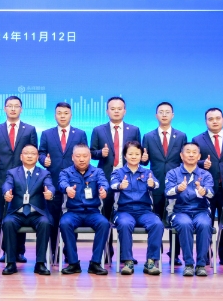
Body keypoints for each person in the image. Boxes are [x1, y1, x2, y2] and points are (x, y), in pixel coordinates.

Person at [0, 95, 38, 263]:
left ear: (21, 109)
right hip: (2, 179)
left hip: (24, 180)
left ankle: (20, 251)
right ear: (5, 108)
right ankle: (7, 251)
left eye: (16, 106)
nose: (13, 109)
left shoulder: (29, 129)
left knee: (22, 213)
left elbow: (34, 152)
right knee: (5, 217)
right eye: (10, 106)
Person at [39, 102, 88, 260]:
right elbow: (41, 153)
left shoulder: (80, 134)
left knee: (72, 218)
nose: (62, 116)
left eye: (65, 113)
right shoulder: (47, 134)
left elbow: (84, 155)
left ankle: (69, 252)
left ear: (71, 115)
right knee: (52, 217)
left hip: (74, 184)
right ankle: (53, 251)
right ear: (55, 115)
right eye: (59, 113)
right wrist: (43, 160)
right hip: (52, 182)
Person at [192, 107, 223, 264]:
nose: (214, 121)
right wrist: (202, 163)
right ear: (205, 121)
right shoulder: (197, 139)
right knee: (205, 223)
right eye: (211, 119)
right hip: (206, 189)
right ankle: (205, 254)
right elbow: (191, 160)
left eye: (217, 118)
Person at [141, 102, 188, 266]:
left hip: (176, 185)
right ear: (156, 116)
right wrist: (144, 159)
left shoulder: (181, 136)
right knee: (156, 221)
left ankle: (174, 254)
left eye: (167, 112)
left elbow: (185, 159)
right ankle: (155, 255)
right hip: (156, 183)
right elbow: (144, 161)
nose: (164, 114)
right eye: (161, 112)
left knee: (176, 219)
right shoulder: (148, 136)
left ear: (172, 115)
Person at [110, 141, 163, 276]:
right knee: (125, 224)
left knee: (157, 224)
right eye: (130, 154)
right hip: (124, 211)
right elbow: (112, 185)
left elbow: (156, 184)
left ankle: (151, 262)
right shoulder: (118, 172)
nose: (134, 156)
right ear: (125, 156)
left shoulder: (147, 172)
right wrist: (120, 186)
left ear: (141, 156)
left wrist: (152, 184)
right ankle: (128, 261)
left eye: (137, 154)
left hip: (144, 211)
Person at [1, 144, 54, 276]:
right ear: (21, 156)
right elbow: (7, 184)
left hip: (36, 213)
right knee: (8, 223)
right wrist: (6, 192)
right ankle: (11, 263)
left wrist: (50, 193)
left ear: (37, 157)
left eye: (33, 153)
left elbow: (50, 186)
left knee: (45, 223)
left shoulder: (44, 173)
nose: (29, 156)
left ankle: (40, 263)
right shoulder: (12, 172)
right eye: (26, 153)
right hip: (17, 213)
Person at [58, 144, 111, 275]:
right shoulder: (66, 172)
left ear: (90, 157)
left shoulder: (97, 171)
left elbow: (104, 183)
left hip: (92, 212)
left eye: (85, 156)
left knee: (104, 223)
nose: (81, 159)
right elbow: (61, 183)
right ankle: (73, 263)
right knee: (64, 223)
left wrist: (104, 190)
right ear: (72, 157)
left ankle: (95, 263)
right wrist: (67, 189)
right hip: (73, 212)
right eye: (78, 156)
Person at [165, 142, 215, 277]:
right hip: (179, 211)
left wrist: (204, 191)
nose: (191, 155)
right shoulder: (173, 173)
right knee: (184, 224)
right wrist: (177, 189)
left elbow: (211, 194)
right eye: (188, 152)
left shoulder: (206, 174)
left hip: (201, 210)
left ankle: (201, 265)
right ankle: (188, 264)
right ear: (181, 155)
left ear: (199, 156)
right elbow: (167, 192)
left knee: (205, 224)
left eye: (194, 152)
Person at [90, 96, 142, 221]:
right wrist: (101, 153)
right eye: (113, 109)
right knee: (105, 208)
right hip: (106, 174)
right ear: (107, 111)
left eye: (119, 108)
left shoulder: (134, 130)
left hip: (127, 174)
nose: (116, 111)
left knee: (125, 209)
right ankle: (106, 232)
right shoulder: (98, 130)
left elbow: (138, 153)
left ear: (125, 111)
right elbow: (91, 152)